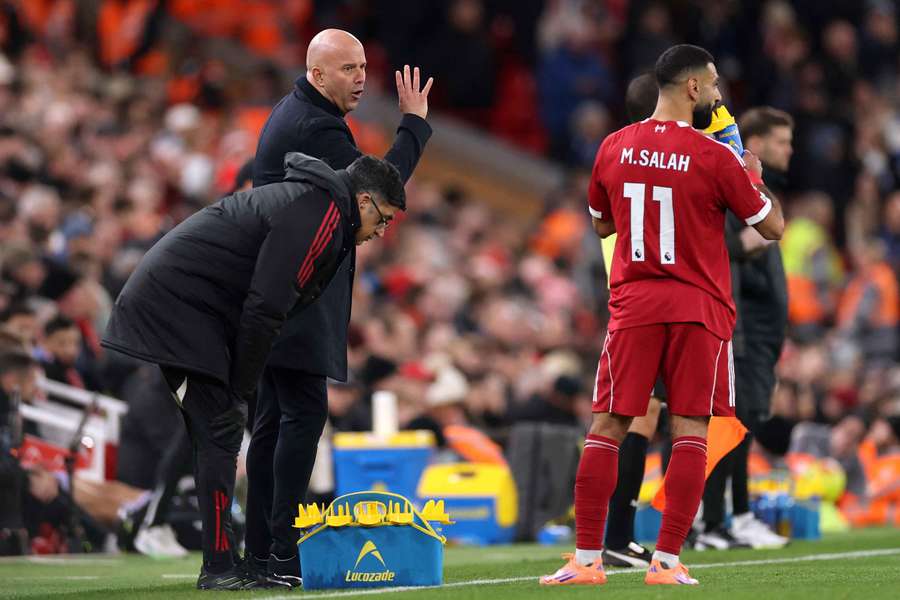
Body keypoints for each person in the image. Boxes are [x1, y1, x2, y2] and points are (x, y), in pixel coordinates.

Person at [101, 152, 406, 590]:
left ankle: (227, 562)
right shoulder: (318, 213)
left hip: (190, 308)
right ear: (362, 200)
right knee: (221, 430)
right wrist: (243, 385)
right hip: (177, 308)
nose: (380, 231)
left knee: (217, 431)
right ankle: (220, 567)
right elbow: (266, 306)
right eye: (384, 218)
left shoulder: (316, 205)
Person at [540, 44, 783, 587]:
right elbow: (772, 228)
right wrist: (752, 173)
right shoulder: (715, 156)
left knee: (607, 426)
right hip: (699, 308)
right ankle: (667, 564)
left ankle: (585, 560)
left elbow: (603, 226)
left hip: (635, 305)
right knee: (691, 429)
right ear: (692, 87)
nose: (719, 94)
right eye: (714, 83)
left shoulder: (612, 146)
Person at [246, 28, 433, 584]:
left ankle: (261, 550)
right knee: (299, 417)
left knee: (276, 421)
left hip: (282, 290)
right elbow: (378, 188)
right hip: (298, 292)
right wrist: (414, 125)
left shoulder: (298, 112)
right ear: (317, 73)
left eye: (362, 68)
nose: (360, 79)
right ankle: (280, 549)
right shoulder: (315, 127)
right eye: (348, 69)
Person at [698, 106, 795, 550]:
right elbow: (720, 246)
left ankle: (733, 514)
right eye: (780, 141)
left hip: (758, 332)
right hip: (742, 329)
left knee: (743, 423)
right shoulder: (734, 185)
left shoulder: (761, 188)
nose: (788, 149)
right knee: (732, 424)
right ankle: (723, 517)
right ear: (753, 144)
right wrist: (746, 244)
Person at [600, 72, 664, 569]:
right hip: (648, 299)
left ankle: (616, 533)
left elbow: (602, 222)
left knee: (637, 416)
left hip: (628, 295)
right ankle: (614, 535)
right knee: (630, 418)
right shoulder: (655, 161)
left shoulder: (617, 156)